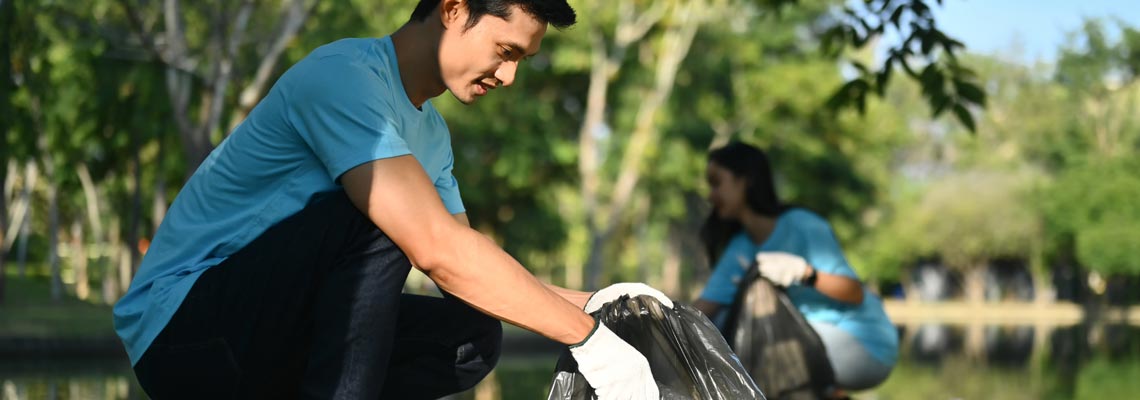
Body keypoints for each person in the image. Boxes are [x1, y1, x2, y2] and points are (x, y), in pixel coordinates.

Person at [112, 1, 671, 398]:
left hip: (270, 333)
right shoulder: (344, 78)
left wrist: (600, 305)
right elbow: (434, 248)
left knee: (473, 335)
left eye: (521, 58)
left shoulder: (431, 138)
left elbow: (466, 265)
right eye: (506, 51)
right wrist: (589, 343)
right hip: (187, 329)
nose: (509, 76)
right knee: (385, 213)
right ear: (453, 10)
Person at [691, 142, 898, 394]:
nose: (710, 195)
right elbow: (703, 310)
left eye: (716, 183)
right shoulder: (740, 247)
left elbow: (855, 292)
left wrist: (805, 274)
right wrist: (654, 318)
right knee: (718, 327)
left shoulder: (802, 226)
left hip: (864, 344)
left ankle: (823, 391)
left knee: (761, 347)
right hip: (802, 341)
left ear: (745, 181)